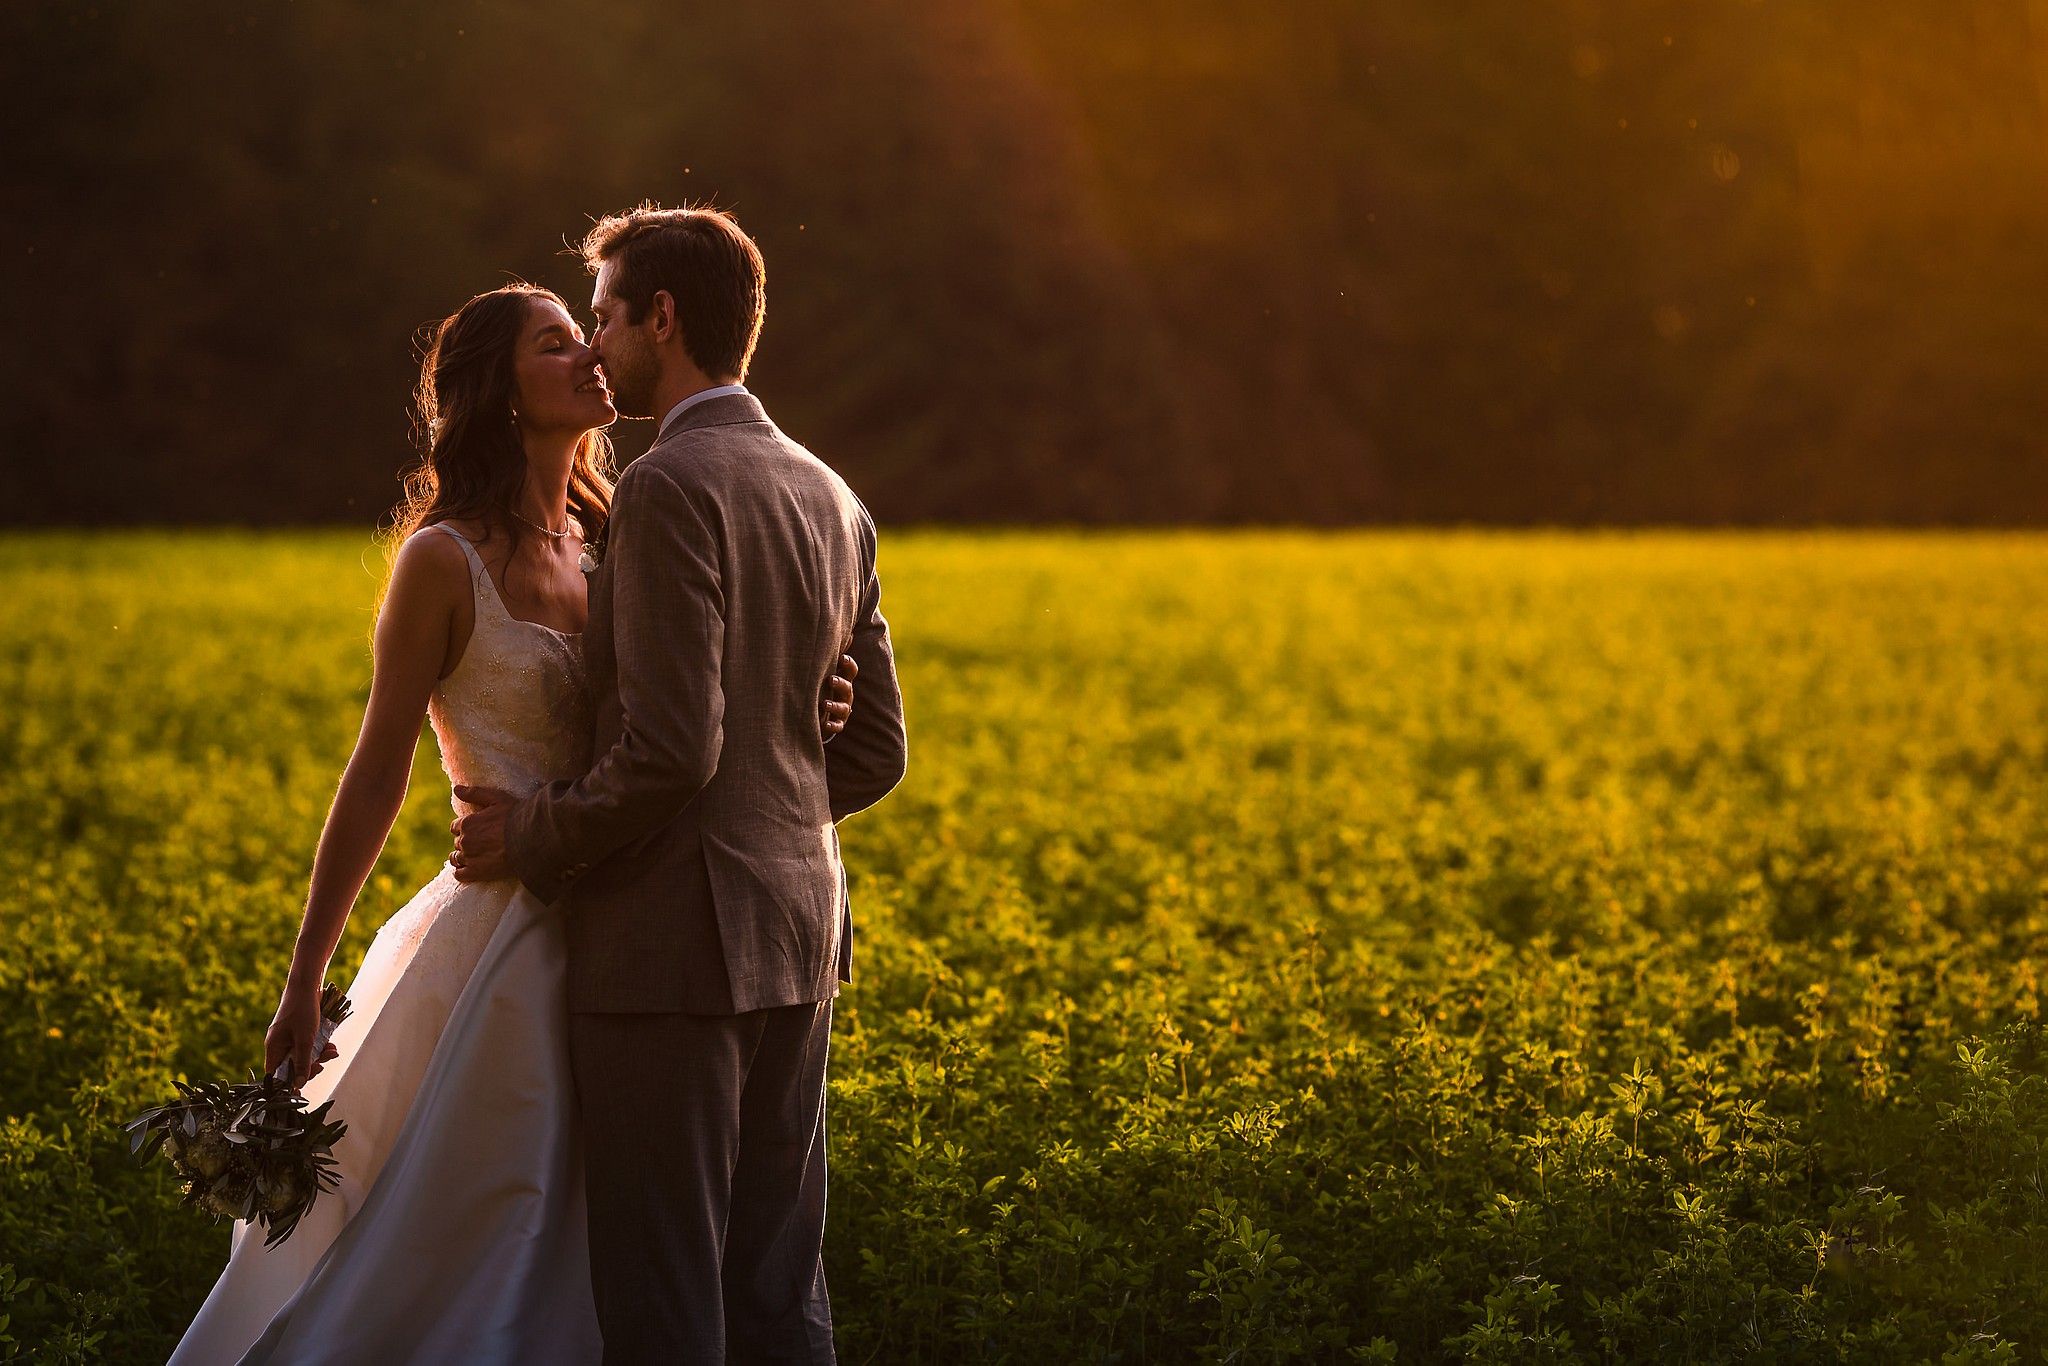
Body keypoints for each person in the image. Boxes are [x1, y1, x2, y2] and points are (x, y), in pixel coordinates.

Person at [168, 278, 865, 1364]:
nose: (592, 351)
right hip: (503, 924)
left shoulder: (617, 523)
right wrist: (308, 973)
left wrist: (816, 698)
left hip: (629, 911)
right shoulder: (440, 559)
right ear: (498, 391)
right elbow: (376, 769)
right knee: (493, 1224)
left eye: (589, 328)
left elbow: (691, 706)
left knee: (627, 1237)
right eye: (556, 342)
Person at [452, 205, 907, 1364]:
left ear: (663, 316)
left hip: (669, 954)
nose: (595, 348)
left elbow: (668, 753)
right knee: (775, 1287)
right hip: (802, 933)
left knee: (663, 1300)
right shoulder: (832, 494)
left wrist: (536, 833)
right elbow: (871, 752)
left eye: (603, 317)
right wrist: (775, 776)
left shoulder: (664, 487)